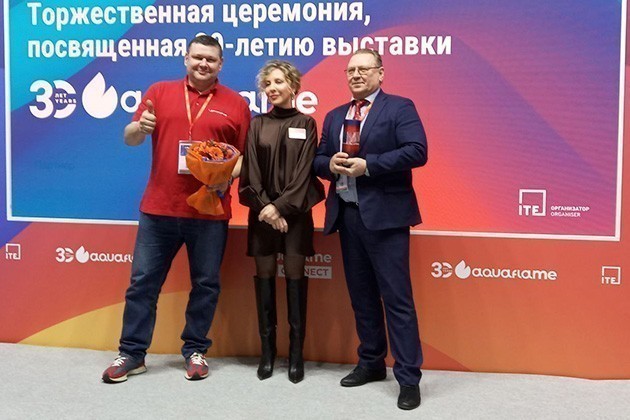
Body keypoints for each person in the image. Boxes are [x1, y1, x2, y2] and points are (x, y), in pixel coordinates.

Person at [102, 35, 251, 383]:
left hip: (210, 212)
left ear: (221, 64)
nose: (203, 64)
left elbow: (245, 157)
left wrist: (224, 176)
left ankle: (195, 350)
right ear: (186, 58)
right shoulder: (158, 92)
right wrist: (139, 127)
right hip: (159, 209)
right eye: (198, 57)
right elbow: (130, 138)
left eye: (210, 59)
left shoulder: (236, 104)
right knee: (142, 284)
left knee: (206, 285)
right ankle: (132, 353)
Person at [313, 49, 427, 410]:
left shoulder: (399, 107)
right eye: (351, 70)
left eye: (364, 69)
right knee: (361, 296)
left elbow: (417, 151)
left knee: (397, 300)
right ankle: (372, 362)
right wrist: (329, 164)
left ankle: (408, 378)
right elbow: (318, 159)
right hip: (347, 215)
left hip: (387, 218)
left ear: (381, 73)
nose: (356, 75)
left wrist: (370, 165)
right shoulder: (335, 116)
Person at [239, 60, 325, 383]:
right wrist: (267, 208)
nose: (272, 88)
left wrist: (280, 208)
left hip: (295, 216)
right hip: (262, 215)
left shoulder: (307, 123)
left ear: (293, 86)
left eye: (278, 82)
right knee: (264, 277)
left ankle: (296, 355)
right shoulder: (257, 124)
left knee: (294, 278)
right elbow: (250, 173)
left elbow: (304, 175)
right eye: (267, 84)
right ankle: (268, 353)